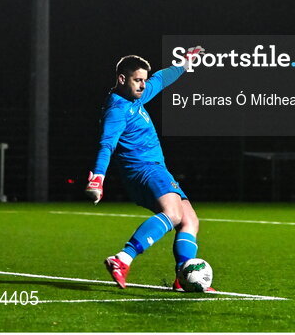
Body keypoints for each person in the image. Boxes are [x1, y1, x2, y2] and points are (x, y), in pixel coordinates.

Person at [85, 47, 211, 291]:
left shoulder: (136, 97)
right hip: (143, 170)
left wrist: (185, 65)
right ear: (122, 79)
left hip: (155, 169)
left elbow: (161, 79)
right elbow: (106, 144)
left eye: (143, 80)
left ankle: (182, 276)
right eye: (137, 80)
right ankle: (122, 259)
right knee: (174, 213)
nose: (143, 85)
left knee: (189, 220)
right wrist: (97, 178)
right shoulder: (118, 109)